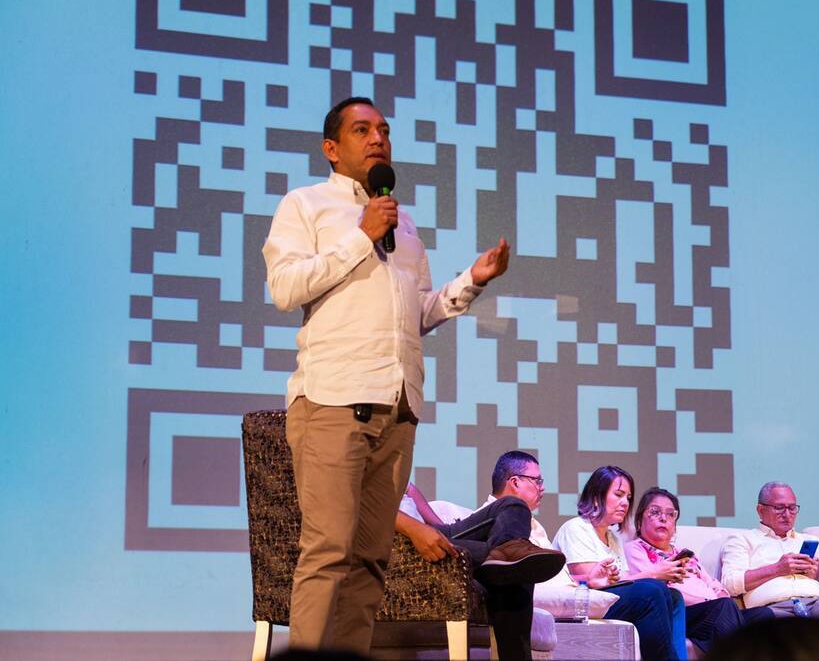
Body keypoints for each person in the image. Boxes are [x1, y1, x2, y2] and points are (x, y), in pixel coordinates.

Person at [263, 96, 511, 653]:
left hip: (397, 408)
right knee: (328, 551)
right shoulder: (306, 205)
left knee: (371, 560)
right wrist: (361, 235)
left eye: (383, 130)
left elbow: (415, 314)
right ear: (331, 148)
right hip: (332, 401)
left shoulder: (405, 223)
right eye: (362, 130)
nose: (378, 138)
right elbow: (285, 288)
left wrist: (471, 281)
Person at [400, 451, 565, 659]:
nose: (542, 488)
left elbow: (431, 517)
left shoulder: (395, 476)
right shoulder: (369, 480)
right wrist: (416, 530)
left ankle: (510, 550)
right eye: (537, 481)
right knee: (516, 560)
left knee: (514, 552)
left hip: (435, 532)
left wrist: (442, 530)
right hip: (404, 542)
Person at [552, 466, 688, 660]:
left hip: (607, 600)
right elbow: (588, 582)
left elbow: (624, 580)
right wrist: (654, 573)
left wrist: (659, 575)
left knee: (673, 596)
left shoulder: (613, 538)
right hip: (585, 603)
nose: (625, 503)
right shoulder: (576, 528)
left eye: (628, 497)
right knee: (651, 592)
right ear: (597, 496)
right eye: (618, 495)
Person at [625, 487, 775, 654]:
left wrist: (720, 594)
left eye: (670, 514)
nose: (663, 518)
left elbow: (712, 583)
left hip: (711, 610)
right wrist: (709, 601)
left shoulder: (684, 553)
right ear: (639, 520)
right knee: (723, 609)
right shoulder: (636, 548)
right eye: (655, 512)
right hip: (681, 613)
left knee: (763, 615)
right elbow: (653, 588)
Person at [720, 482, 819, 640]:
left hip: (817, 606)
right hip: (773, 610)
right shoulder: (742, 540)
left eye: (792, 508)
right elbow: (730, 583)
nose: (787, 514)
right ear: (760, 510)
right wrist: (777, 569)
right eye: (779, 508)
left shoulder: (811, 541)